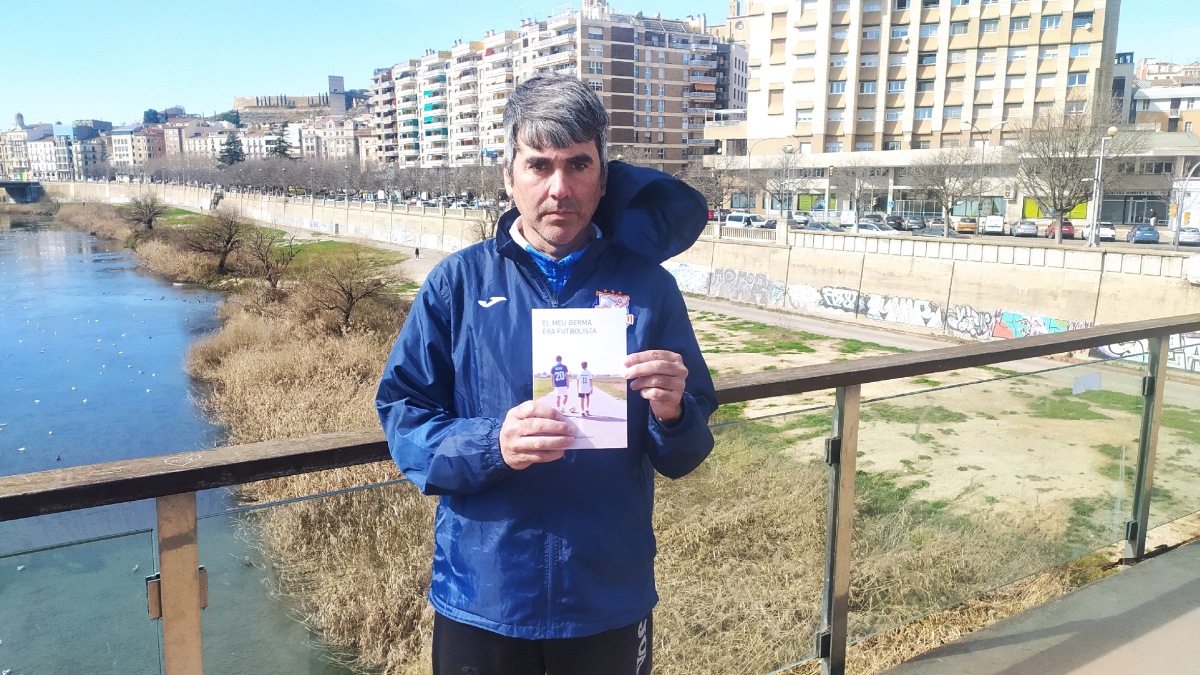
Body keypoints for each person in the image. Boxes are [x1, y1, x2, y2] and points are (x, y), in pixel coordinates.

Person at [376, 73, 716, 675]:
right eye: (539, 165)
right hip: (484, 598)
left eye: (578, 164)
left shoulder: (649, 288)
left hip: (608, 597)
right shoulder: (457, 284)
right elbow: (404, 416)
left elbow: (686, 453)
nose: (560, 188)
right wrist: (492, 445)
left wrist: (674, 411)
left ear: (603, 176)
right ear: (509, 176)